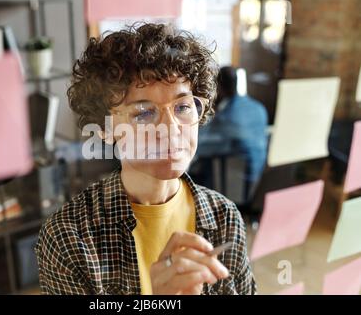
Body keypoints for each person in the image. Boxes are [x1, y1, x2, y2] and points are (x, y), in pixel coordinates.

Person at [35, 23, 256, 295]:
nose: (171, 130)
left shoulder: (225, 217)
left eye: (183, 106)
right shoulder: (69, 237)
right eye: (143, 113)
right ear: (104, 128)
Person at [195, 66, 268, 199]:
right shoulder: (259, 108)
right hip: (258, 182)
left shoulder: (226, 116)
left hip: (236, 188)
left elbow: (197, 146)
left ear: (218, 89)